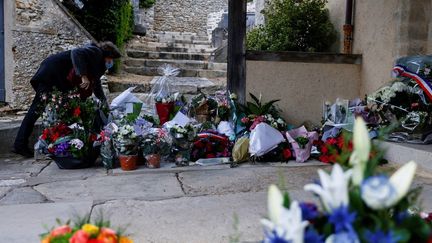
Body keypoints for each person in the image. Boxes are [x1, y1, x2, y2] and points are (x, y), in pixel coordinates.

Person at [12, 41, 122, 157]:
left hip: (55, 77)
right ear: (107, 55)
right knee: (36, 110)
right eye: (111, 59)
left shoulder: (97, 63)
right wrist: (83, 76)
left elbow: (97, 85)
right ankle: (20, 144)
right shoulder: (96, 52)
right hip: (52, 75)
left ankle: (64, 143)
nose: (111, 62)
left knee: (64, 110)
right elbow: (76, 52)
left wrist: (104, 103)